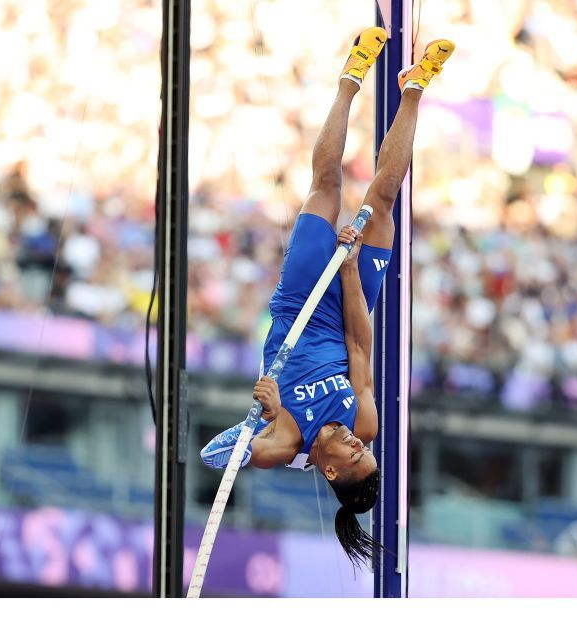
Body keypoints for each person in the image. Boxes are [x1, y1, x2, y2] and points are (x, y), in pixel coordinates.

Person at [201, 28, 454, 568]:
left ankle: (349, 80)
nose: (362, 445)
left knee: (326, 186)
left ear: (331, 470)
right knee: (383, 201)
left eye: (355, 457)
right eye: (367, 451)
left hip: (297, 305)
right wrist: (351, 271)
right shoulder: (363, 424)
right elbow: (360, 346)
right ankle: (414, 89)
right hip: (348, 307)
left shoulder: (283, 444)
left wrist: (260, 417)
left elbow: (212, 455)